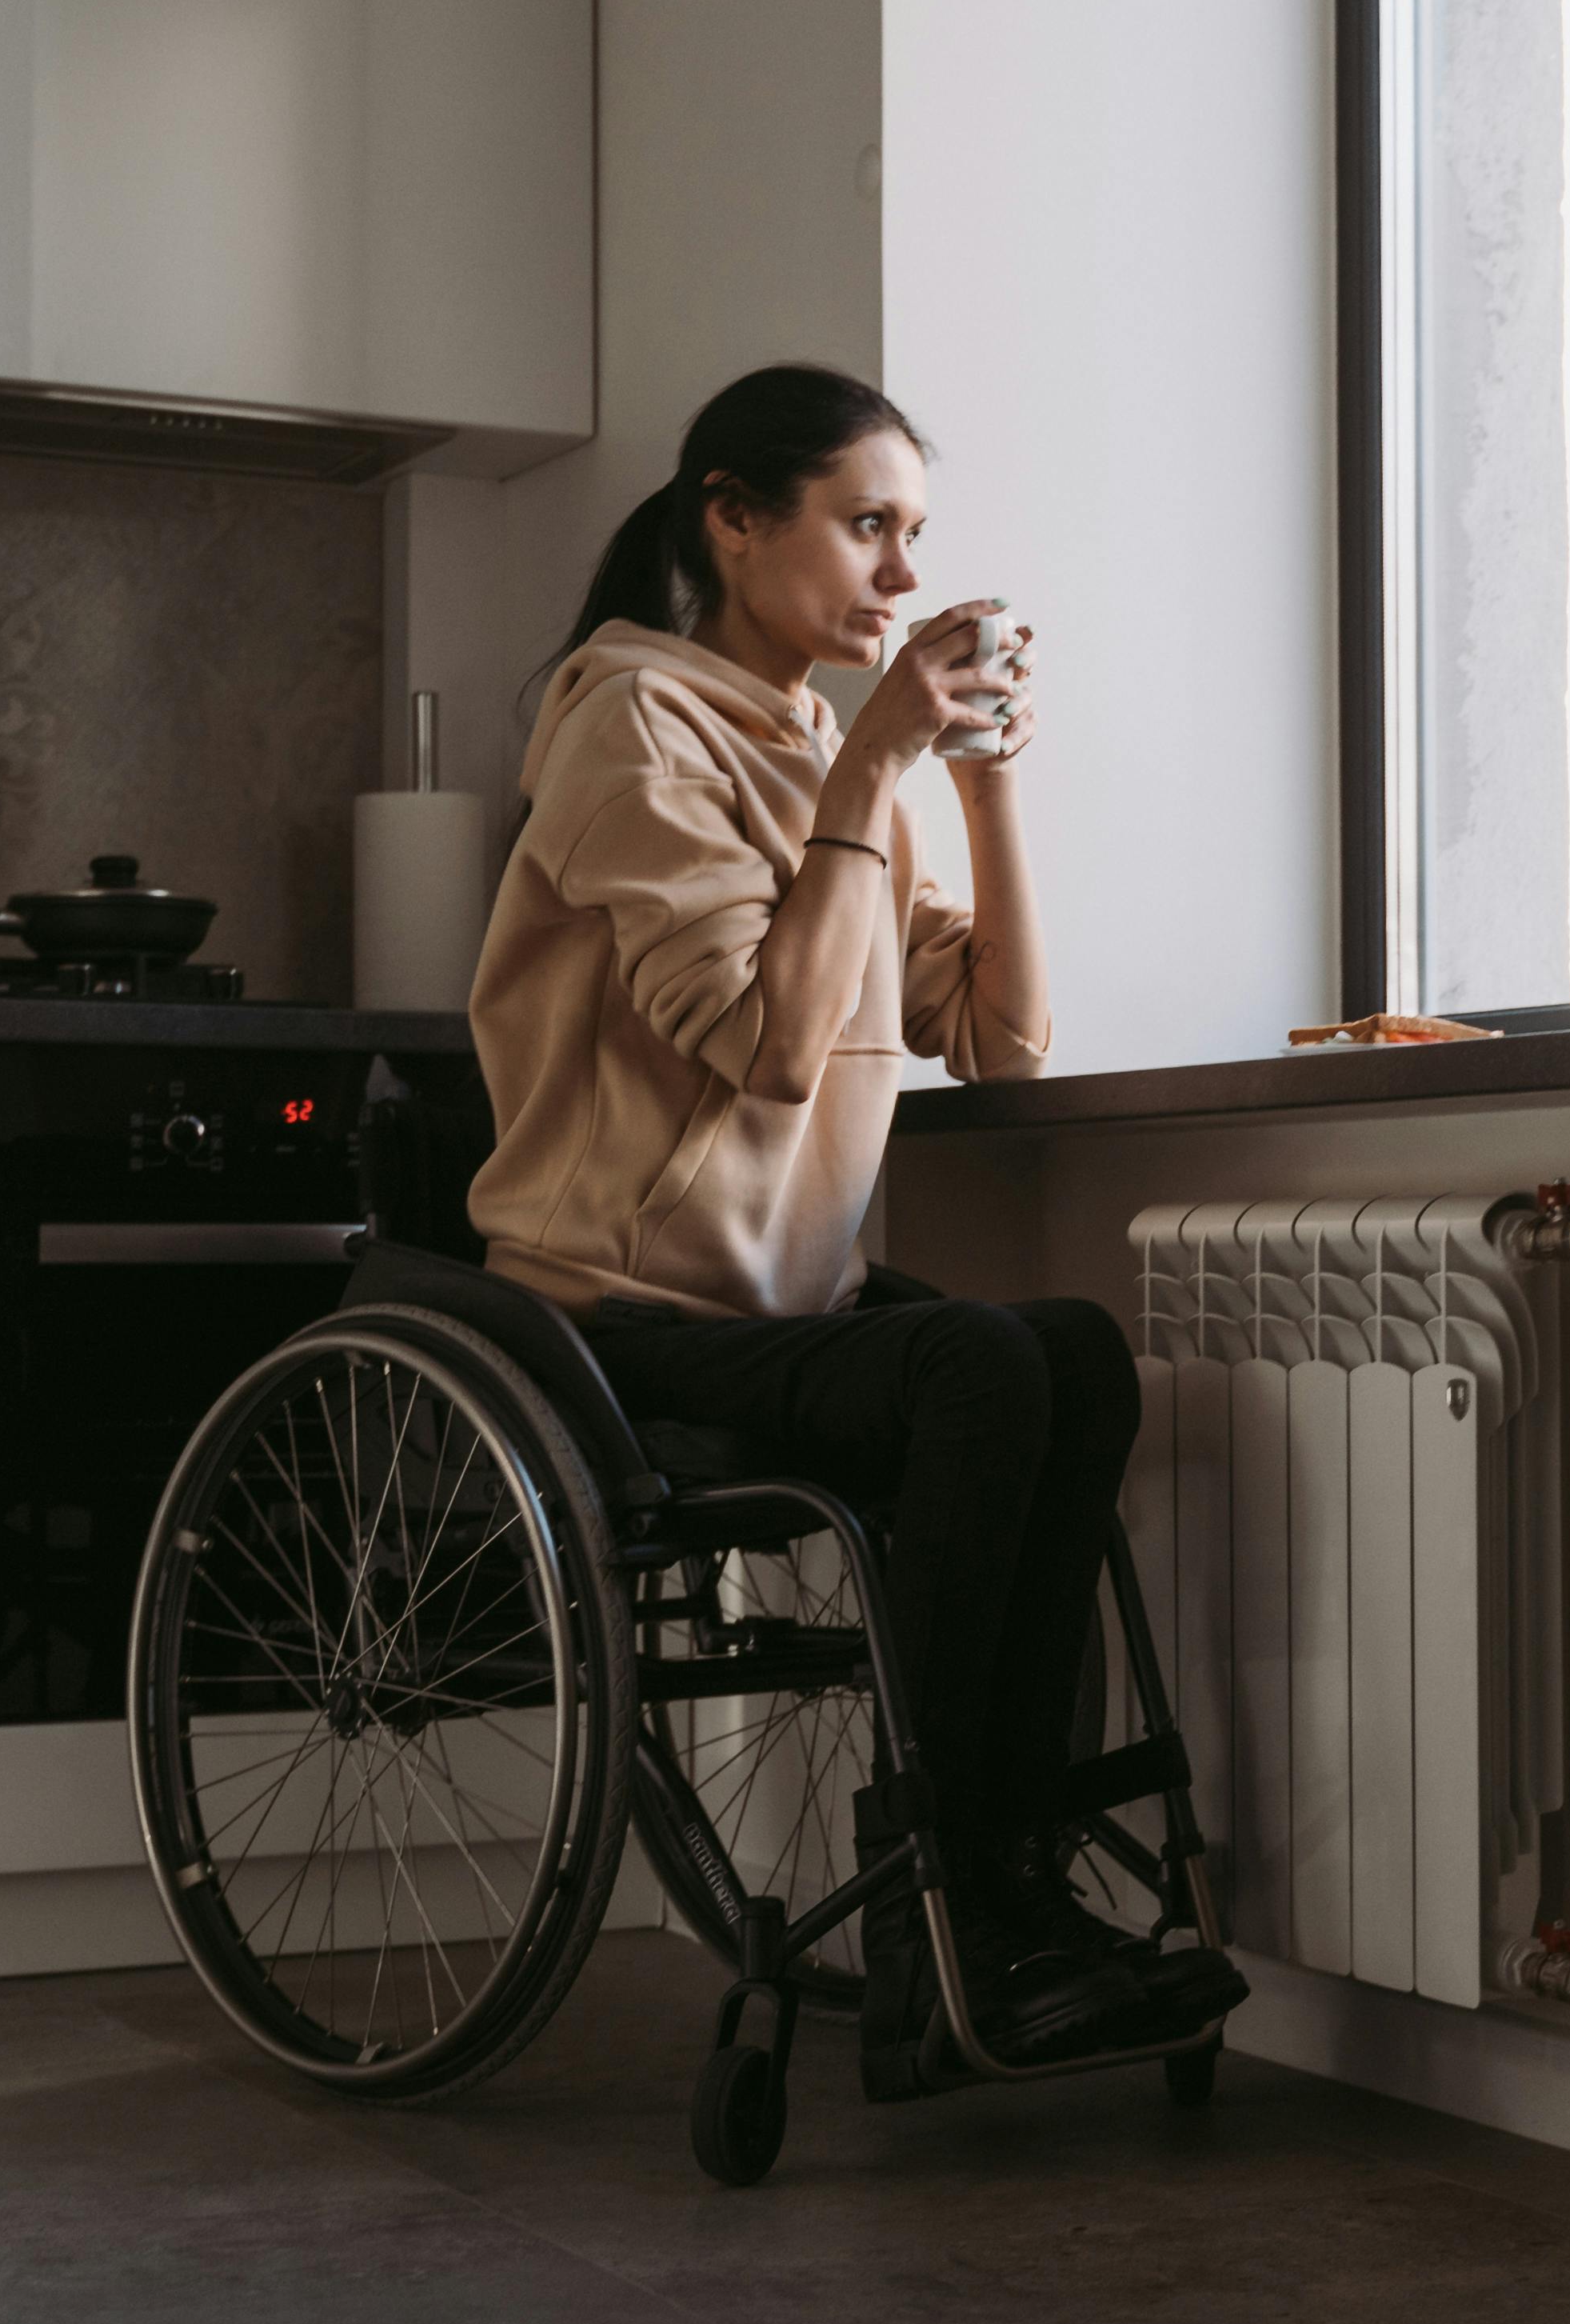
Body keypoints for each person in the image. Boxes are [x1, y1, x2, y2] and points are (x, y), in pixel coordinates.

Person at [462, 362, 1245, 2075]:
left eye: (914, 536)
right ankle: (945, 1912)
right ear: (733, 522)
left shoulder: (827, 747)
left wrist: (975, 787)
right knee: (974, 1365)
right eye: (865, 526)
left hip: (783, 1303)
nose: (900, 576)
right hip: (617, 1318)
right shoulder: (626, 724)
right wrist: (876, 754)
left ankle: (1000, 1891)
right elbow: (763, 1046)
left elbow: (1008, 1035)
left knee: (1072, 1352)